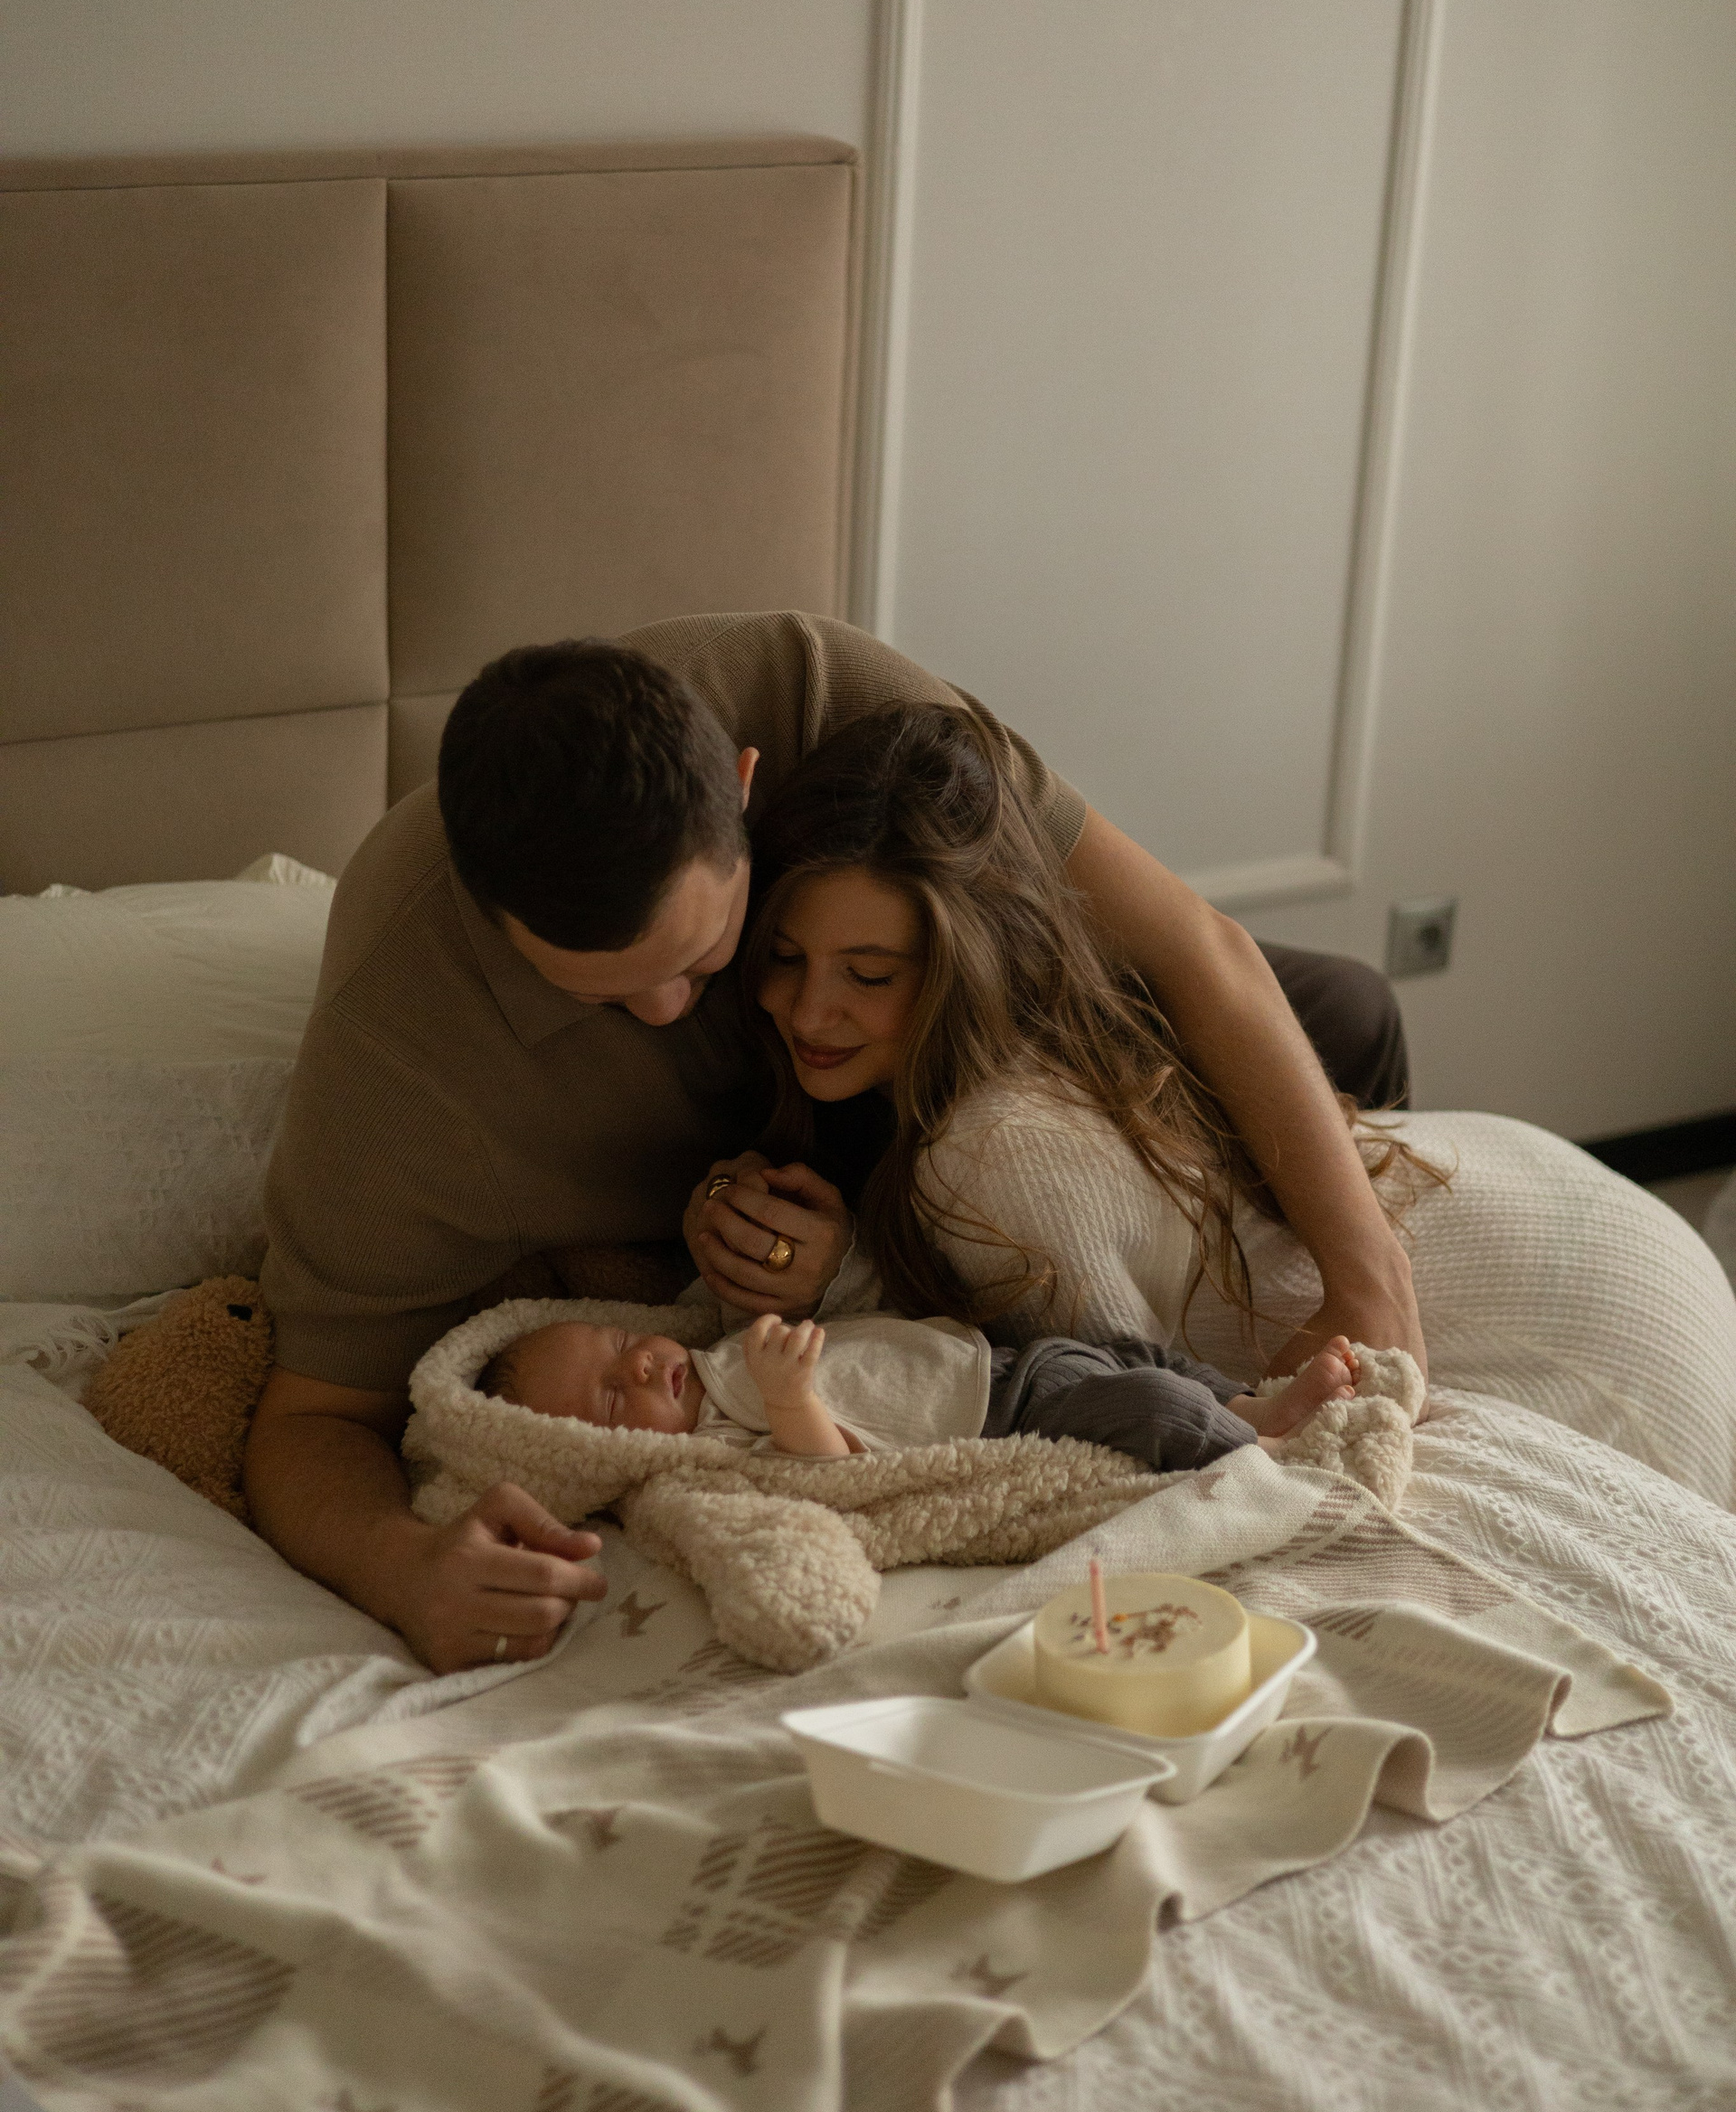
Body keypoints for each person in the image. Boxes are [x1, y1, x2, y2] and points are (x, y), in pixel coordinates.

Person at [248, 616, 1420, 1674]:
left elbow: (1188, 943)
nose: (670, 1014)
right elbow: (311, 1417)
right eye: (600, 997)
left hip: (975, 1032)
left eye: (706, 959)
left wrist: (1370, 1280)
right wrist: (403, 1566)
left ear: (747, 790)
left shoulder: (821, 693)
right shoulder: (396, 1049)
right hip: (865, 1197)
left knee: (1356, 1014)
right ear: (488, 914)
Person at [705, 702, 1444, 1371]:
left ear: (973, 968)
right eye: (785, 957)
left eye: (870, 977)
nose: (807, 1014)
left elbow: (1132, 1404)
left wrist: (848, 1281)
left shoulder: (995, 1152)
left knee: (1354, 1002)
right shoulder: (926, 1099)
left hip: (1478, 1278)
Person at [471, 1309, 1359, 1466]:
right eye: (612, 1399)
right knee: (1151, 1407)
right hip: (1006, 1419)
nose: (636, 1367)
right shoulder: (720, 1444)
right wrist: (788, 1399)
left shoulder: (716, 1348)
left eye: (622, 1345)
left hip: (1002, 1360)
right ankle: (1265, 1448)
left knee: (1137, 1352)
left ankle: (1250, 1402)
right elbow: (827, 1468)